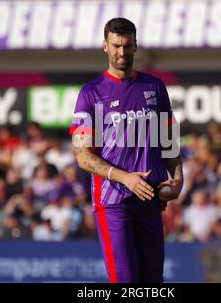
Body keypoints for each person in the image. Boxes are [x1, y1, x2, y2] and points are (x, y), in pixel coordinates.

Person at [70, 18, 183, 283]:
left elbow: (169, 141)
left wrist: (178, 178)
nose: (122, 52)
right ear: (105, 47)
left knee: (152, 282)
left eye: (127, 45)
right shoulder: (90, 94)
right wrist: (125, 178)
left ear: (136, 46)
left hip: (150, 199)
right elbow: (82, 156)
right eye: (116, 46)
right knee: (125, 281)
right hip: (113, 201)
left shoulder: (155, 87)